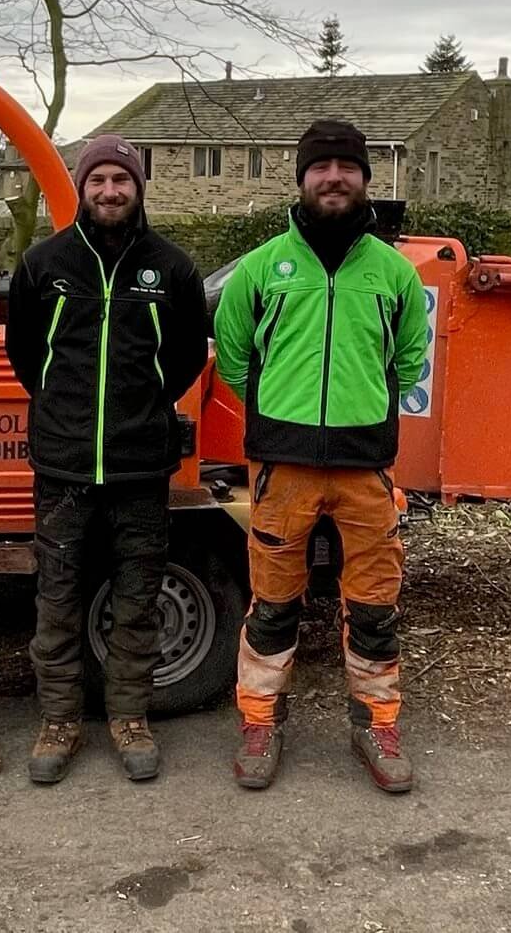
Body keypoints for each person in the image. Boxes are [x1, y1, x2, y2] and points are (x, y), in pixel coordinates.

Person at [212, 119, 430, 793]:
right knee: (273, 604)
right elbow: (234, 355)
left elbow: (410, 359)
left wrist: (364, 410)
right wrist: (278, 411)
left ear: (365, 178)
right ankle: (260, 722)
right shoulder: (261, 268)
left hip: (367, 468)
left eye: (347, 166)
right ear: (302, 178)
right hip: (283, 467)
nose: (334, 177)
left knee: (374, 606)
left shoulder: (394, 273)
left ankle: (377, 723)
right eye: (320, 167)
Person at [5, 135, 208, 784]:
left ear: (138, 188)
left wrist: (144, 404)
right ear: (82, 188)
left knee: (137, 599)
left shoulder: (172, 269)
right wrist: (62, 407)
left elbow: (184, 357)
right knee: (57, 599)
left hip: (140, 468)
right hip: (62, 467)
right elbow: (25, 355)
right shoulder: (44, 264)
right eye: (99, 180)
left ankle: (129, 718)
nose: (110, 191)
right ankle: (60, 721)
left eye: (122, 180)